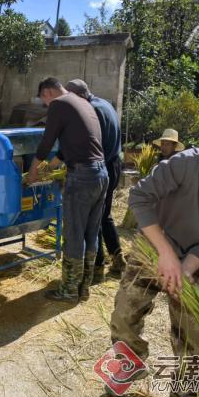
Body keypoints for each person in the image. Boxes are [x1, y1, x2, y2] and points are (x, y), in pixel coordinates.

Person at [110, 139, 199, 397]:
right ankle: (129, 364)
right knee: (124, 314)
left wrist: (186, 267)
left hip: (197, 261)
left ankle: (186, 394)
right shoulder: (186, 165)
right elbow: (139, 197)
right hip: (153, 244)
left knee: (196, 335)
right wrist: (166, 253)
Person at [27, 77, 108, 303]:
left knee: (73, 234)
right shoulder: (84, 103)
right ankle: (83, 289)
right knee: (90, 233)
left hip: (81, 177)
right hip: (101, 175)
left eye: (44, 101)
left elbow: (46, 141)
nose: (46, 106)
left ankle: (69, 291)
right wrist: (50, 168)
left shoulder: (59, 104)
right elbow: (71, 146)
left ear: (48, 92)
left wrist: (34, 171)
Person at [65, 79, 125, 282]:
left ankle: (97, 268)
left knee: (94, 219)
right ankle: (118, 258)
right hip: (115, 163)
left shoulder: (92, 111)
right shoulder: (105, 103)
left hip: (102, 167)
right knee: (104, 214)